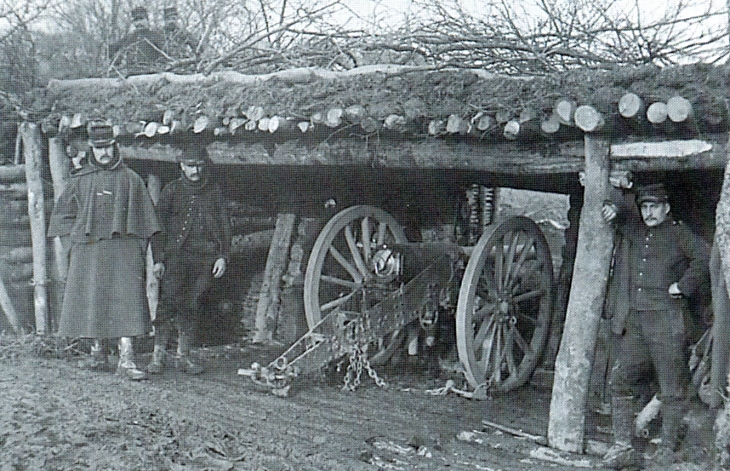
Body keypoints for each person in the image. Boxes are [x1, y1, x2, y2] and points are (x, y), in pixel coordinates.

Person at [601, 183, 711, 469]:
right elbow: (621, 213)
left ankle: (667, 452)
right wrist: (613, 207)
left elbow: (705, 256)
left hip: (667, 320)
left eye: (654, 207)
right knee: (620, 380)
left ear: (667, 208)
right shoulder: (638, 228)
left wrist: (683, 286)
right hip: (637, 321)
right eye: (645, 207)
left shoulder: (678, 233)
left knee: (672, 387)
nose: (649, 213)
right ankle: (623, 446)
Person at [47, 121, 161, 380]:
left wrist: (137, 249)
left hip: (124, 251)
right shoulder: (80, 181)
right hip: (88, 251)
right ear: (91, 149)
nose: (104, 153)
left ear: (115, 146)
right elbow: (62, 216)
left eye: (108, 147)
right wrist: (73, 243)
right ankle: (98, 353)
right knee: (92, 297)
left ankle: (126, 358)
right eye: (98, 148)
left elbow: (147, 221)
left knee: (126, 300)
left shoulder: (131, 180)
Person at [148, 145, 230, 375]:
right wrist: (159, 260)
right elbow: (158, 228)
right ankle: (158, 356)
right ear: (181, 166)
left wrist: (222, 256)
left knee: (191, 305)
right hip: (176, 258)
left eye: (199, 166)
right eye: (190, 167)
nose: (195, 172)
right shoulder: (171, 191)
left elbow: (225, 226)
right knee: (167, 305)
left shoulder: (214, 191)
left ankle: (183, 356)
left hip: (204, 258)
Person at [109, 6, 165, 75]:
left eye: (141, 19)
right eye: (136, 20)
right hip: (131, 75)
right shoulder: (129, 38)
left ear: (147, 20)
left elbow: (165, 56)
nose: (138, 23)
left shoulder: (156, 36)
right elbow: (112, 50)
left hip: (151, 74)